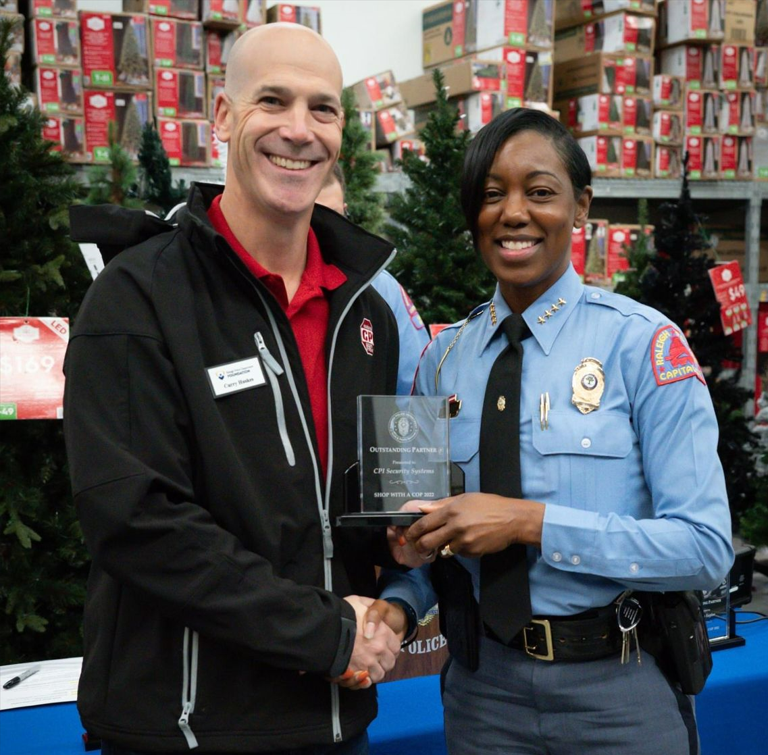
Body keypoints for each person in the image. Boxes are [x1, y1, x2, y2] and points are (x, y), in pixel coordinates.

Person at [63, 23, 419, 755]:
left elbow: (359, 513)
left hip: (333, 721)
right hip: (189, 729)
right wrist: (324, 631)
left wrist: (401, 553)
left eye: (322, 109)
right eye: (273, 101)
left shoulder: (368, 317)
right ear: (222, 117)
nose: (299, 129)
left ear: (341, 133)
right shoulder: (138, 298)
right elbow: (139, 523)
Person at [375, 108, 734, 755]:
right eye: (491, 194)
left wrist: (529, 521)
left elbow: (705, 547)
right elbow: (419, 539)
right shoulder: (441, 361)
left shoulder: (643, 345)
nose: (514, 212)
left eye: (539, 191)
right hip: (484, 694)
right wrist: (401, 592)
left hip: (618, 691)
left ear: (580, 206)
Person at [316, 164, 431, 395]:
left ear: (346, 213)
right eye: (313, 218)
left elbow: (417, 392)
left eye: (335, 217)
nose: (324, 231)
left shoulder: (380, 289)